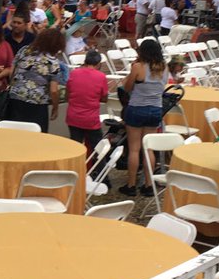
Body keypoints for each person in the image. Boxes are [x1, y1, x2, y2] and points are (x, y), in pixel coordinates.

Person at [119, 38, 167, 197]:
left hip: (137, 108)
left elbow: (127, 87)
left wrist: (131, 71)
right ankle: (148, 184)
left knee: (134, 149)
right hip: (155, 109)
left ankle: (131, 185)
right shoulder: (164, 67)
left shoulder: (138, 67)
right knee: (149, 148)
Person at [3, 26, 65, 133]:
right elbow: (53, 90)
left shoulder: (24, 50)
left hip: (16, 98)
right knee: (36, 134)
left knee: (14, 132)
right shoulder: (52, 62)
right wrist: (55, 107)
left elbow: (12, 72)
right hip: (37, 103)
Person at [65, 50, 110, 151]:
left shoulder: (74, 73)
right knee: (97, 150)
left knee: (75, 148)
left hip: (73, 117)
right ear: (98, 64)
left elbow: (67, 95)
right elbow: (104, 98)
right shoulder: (101, 76)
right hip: (91, 119)